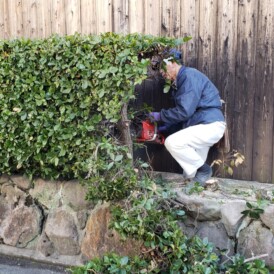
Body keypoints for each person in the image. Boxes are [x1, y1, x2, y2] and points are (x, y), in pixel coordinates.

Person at [149, 49, 226, 188]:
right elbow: (185, 115)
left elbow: (184, 111)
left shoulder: (189, 76)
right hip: (204, 124)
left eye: (162, 69)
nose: (161, 73)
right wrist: (165, 129)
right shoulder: (181, 80)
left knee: (173, 143)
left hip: (209, 125)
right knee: (190, 176)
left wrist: (160, 116)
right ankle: (197, 197)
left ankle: (205, 170)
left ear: (172, 63)